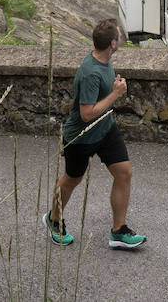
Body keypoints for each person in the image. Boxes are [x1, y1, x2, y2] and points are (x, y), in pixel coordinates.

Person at [46, 18, 146, 250]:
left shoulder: (105, 59)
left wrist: (112, 88)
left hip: (105, 128)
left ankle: (118, 231)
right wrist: (116, 94)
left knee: (124, 173)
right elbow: (86, 114)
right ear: (112, 43)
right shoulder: (90, 72)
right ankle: (53, 219)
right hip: (81, 136)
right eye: (119, 36)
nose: (121, 37)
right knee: (72, 179)